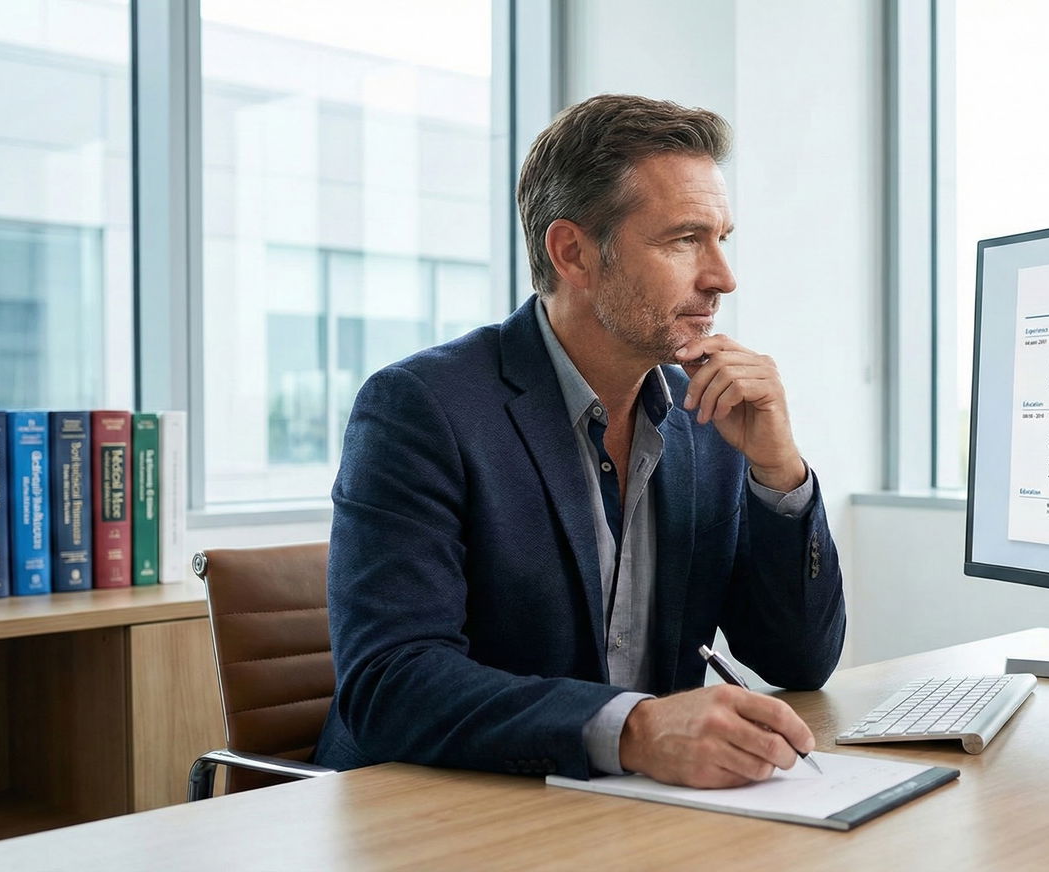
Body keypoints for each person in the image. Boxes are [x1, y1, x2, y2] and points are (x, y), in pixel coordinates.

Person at [313, 94, 846, 789]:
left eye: (722, 238)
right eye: (684, 239)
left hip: (640, 813)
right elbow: (391, 683)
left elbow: (798, 661)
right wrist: (635, 728)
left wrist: (779, 473)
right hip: (445, 814)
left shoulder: (709, 413)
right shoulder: (421, 409)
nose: (722, 277)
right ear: (573, 252)